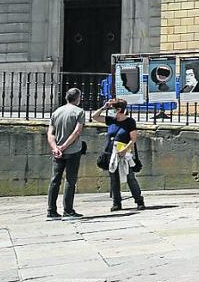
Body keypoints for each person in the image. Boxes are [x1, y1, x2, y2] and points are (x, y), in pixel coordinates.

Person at [93, 98, 145, 212]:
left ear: (119, 109)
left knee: (130, 177)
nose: (110, 111)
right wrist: (103, 107)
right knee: (114, 178)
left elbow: (133, 139)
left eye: (112, 109)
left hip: (124, 154)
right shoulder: (111, 120)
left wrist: (125, 150)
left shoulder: (129, 122)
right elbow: (94, 117)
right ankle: (116, 203)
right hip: (111, 153)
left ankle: (139, 200)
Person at [47, 87, 88, 219]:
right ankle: (68, 210)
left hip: (57, 152)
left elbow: (50, 133)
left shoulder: (57, 112)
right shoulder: (79, 112)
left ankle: (51, 210)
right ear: (78, 98)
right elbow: (77, 132)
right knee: (70, 180)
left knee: (55, 180)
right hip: (72, 150)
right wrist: (64, 146)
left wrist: (55, 148)